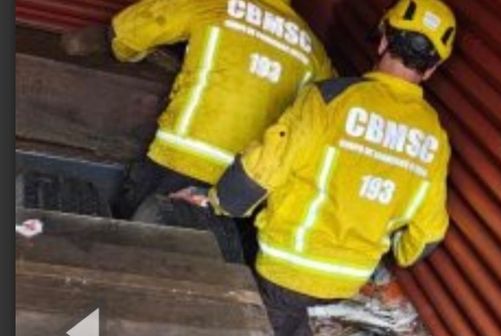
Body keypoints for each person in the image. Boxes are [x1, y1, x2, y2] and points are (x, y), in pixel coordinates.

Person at [190, 0, 457, 336]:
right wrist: (401, 251)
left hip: (287, 267)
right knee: (286, 314)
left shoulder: (330, 97)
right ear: (431, 69)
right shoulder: (434, 136)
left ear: (383, 40)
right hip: (349, 279)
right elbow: (427, 234)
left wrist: (219, 201)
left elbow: (267, 164)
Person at [63, 0, 334, 219]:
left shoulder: (215, 4)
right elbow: (328, 117)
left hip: (182, 158)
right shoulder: (314, 50)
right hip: (245, 187)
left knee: (128, 234)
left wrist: (114, 41)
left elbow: (138, 28)